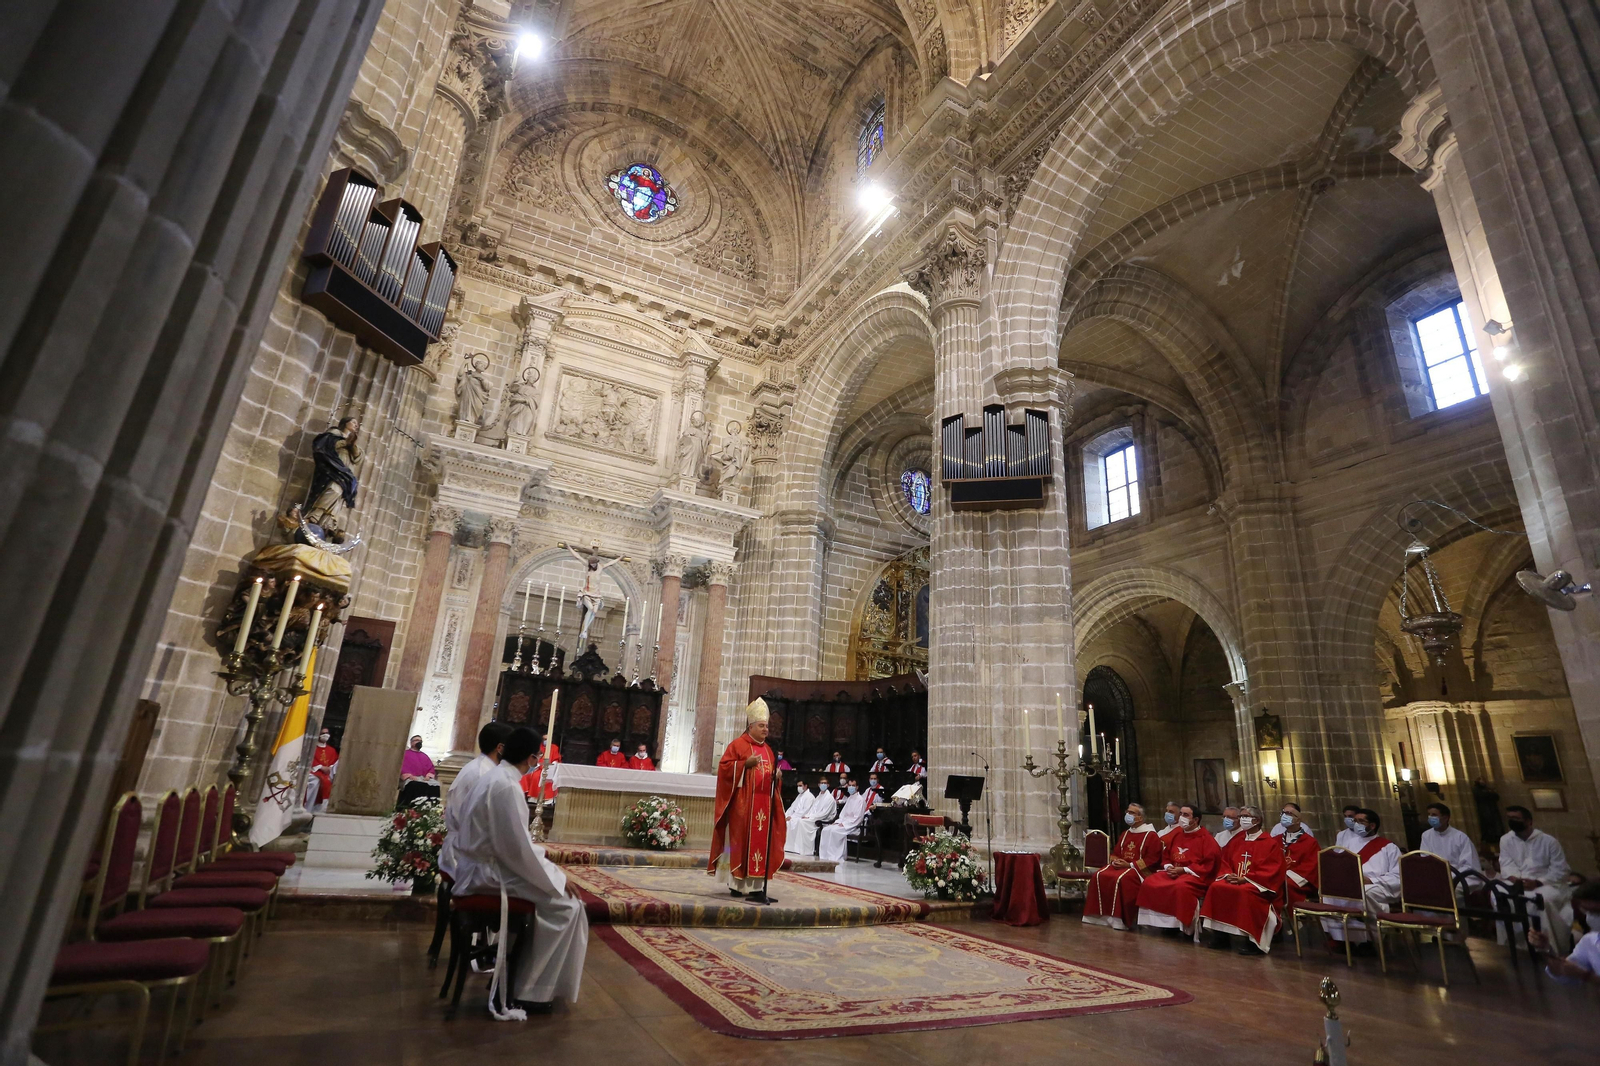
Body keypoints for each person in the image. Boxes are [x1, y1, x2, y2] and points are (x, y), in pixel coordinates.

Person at [450, 726, 588, 1015]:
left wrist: (551, 873)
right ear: (529, 757)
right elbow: (517, 850)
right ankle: (530, 990)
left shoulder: (496, 778)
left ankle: (515, 978)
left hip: (485, 865)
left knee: (557, 900)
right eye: (537, 756)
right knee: (567, 907)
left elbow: (515, 845)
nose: (537, 761)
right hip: (487, 873)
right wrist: (558, 879)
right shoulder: (506, 786)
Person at [708, 698, 786, 902]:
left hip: (763, 807)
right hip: (742, 807)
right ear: (751, 726)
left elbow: (768, 779)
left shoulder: (768, 750)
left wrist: (776, 778)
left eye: (767, 726)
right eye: (761, 725)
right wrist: (744, 765)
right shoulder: (738, 745)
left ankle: (757, 887)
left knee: (760, 846)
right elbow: (724, 769)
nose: (765, 729)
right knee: (738, 843)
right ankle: (735, 885)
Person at [1199, 805, 1286, 955]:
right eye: (1241, 816)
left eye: (1245, 816)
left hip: (1257, 885)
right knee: (1216, 887)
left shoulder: (1269, 843)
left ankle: (1251, 940)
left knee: (1245, 892)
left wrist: (1245, 879)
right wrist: (1228, 875)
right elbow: (1224, 860)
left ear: (1257, 820)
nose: (1242, 819)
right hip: (1235, 880)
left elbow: (1272, 870)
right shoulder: (1237, 840)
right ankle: (1221, 935)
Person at [438, 721, 511, 882]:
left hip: (470, 848)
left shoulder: (484, 769)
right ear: (500, 748)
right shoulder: (482, 774)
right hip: (468, 856)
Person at [1498, 805, 1574, 954]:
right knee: (1501, 897)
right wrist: (1516, 880)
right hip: (1518, 882)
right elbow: (1506, 863)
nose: (1512, 821)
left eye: (1516, 818)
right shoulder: (1506, 840)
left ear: (1529, 821)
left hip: (1547, 883)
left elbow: (1560, 869)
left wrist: (1538, 882)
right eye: (1510, 818)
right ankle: (1515, 946)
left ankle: (1548, 947)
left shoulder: (1548, 841)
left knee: (1541, 899)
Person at [1136, 803, 1220, 937]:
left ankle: (1181, 926)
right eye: (1181, 814)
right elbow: (1166, 855)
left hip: (1194, 875)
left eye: (1186, 815)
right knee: (1150, 881)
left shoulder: (1206, 839)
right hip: (1173, 871)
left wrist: (1184, 869)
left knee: (1180, 887)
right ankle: (1164, 925)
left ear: (1196, 820)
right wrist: (1168, 866)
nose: (1181, 817)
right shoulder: (1177, 835)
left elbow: (1209, 863)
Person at [1321, 808, 1399, 946]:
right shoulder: (1350, 844)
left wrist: (1371, 880)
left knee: (1364, 893)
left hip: (1377, 884)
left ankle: (1371, 939)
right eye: (1355, 821)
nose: (1356, 824)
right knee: (1327, 892)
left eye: (1361, 821)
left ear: (1372, 825)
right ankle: (1340, 938)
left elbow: (1398, 875)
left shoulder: (1388, 847)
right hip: (1353, 883)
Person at [1083, 802, 1164, 932]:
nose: (1128, 815)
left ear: (1140, 818)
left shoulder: (1151, 835)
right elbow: (1116, 852)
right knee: (1099, 875)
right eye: (1127, 812)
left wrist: (1130, 864)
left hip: (1140, 871)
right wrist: (1116, 861)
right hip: (1123, 866)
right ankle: (1097, 916)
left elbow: (1152, 859)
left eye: (1132, 813)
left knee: (1121, 879)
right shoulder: (1126, 833)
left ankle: (1118, 920)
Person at [1529, 879, 1600, 986]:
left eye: (1595, 911)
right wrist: (1547, 950)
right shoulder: (1589, 941)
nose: (1590, 917)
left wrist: (1586, 976)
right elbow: (1563, 973)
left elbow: (1581, 974)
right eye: (1587, 911)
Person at [819, 778, 872, 863]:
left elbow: (858, 818)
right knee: (826, 830)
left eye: (853, 785)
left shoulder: (860, 800)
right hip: (844, 823)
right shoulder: (850, 798)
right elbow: (842, 815)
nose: (851, 787)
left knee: (835, 831)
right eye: (849, 785)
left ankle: (836, 856)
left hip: (854, 826)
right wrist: (838, 822)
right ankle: (825, 855)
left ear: (857, 787)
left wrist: (844, 824)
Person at [1419, 801, 1481, 875]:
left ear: (1445, 818)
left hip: (1458, 877)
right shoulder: (1426, 835)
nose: (1430, 817)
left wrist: (1450, 876)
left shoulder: (1460, 837)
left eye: (1434, 815)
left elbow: (1468, 864)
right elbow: (1425, 858)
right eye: (1429, 814)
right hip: (1435, 876)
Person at [1279, 803, 1320, 908]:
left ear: (1298, 820)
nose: (1285, 815)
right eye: (1283, 813)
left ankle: (1294, 920)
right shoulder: (1276, 840)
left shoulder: (1310, 842)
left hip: (1300, 880)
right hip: (1278, 876)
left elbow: (1311, 866)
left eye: (1289, 813)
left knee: (1285, 884)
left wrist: (1287, 875)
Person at [787, 777, 837, 855]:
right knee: (798, 821)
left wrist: (810, 817)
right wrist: (807, 816)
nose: (823, 785)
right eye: (821, 783)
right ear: (818, 785)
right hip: (813, 817)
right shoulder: (819, 796)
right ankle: (795, 847)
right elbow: (812, 810)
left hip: (821, 820)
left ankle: (806, 849)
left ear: (828, 785)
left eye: (825, 783)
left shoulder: (829, 798)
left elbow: (824, 814)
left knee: (801, 822)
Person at [520, 734, 561, 804]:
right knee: (529, 776)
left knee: (542, 777)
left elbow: (556, 759)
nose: (546, 741)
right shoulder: (539, 747)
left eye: (547, 739)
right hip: (537, 767)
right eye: (544, 739)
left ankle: (546, 799)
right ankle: (530, 797)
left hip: (549, 768)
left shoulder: (554, 747)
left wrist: (551, 764)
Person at [399, 735, 440, 805]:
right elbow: (402, 766)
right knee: (415, 785)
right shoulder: (405, 754)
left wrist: (428, 776)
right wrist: (409, 776)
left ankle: (431, 808)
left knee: (436, 785)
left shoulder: (424, 755)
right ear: (411, 743)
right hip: (411, 778)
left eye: (420, 741)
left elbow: (430, 768)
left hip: (423, 778)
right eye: (417, 740)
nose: (419, 742)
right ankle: (409, 808)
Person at [306, 728, 338, 810]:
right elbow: (309, 759)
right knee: (315, 782)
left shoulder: (332, 750)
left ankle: (323, 809)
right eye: (323, 733)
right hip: (315, 772)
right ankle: (309, 807)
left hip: (328, 774)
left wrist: (330, 768)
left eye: (327, 733)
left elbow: (335, 762)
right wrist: (320, 767)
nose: (325, 735)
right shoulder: (312, 748)